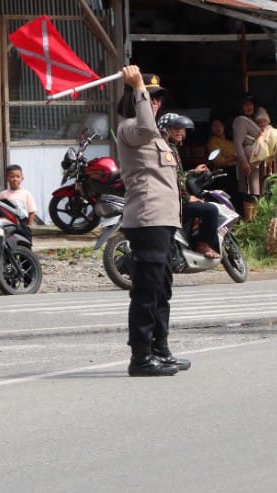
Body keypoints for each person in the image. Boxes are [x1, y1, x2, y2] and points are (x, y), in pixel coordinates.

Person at [115, 67, 185, 377]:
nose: (154, 102)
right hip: (147, 219)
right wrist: (137, 87)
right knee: (147, 289)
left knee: (162, 287)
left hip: (163, 220)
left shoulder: (157, 136)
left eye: (157, 98)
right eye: (149, 97)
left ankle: (161, 348)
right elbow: (144, 126)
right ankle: (141, 356)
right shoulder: (131, 128)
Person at [159, 112, 221, 259]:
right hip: (173, 202)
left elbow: (177, 175)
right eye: (175, 127)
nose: (180, 131)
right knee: (211, 210)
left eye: (181, 127)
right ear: (165, 130)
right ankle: (202, 245)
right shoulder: (168, 149)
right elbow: (172, 180)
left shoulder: (170, 148)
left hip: (169, 200)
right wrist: (187, 199)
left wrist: (193, 172)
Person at [232, 94, 264, 220]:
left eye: (250, 104)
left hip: (256, 161)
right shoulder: (240, 120)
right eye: (245, 105)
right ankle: (249, 221)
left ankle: (255, 220)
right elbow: (238, 143)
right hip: (247, 160)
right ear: (240, 107)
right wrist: (244, 161)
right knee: (249, 191)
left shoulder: (253, 120)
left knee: (255, 191)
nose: (249, 107)